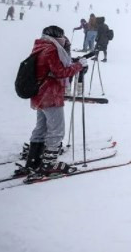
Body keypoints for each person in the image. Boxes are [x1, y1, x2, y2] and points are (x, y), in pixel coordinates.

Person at [15, 25, 87, 177]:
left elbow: (53, 67)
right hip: (50, 94)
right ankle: (48, 163)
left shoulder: (40, 46)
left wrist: (73, 62)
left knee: (41, 128)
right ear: (56, 37)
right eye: (62, 37)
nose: (63, 40)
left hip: (40, 94)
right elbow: (60, 72)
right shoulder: (51, 50)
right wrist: (79, 66)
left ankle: (33, 161)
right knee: (56, 130)